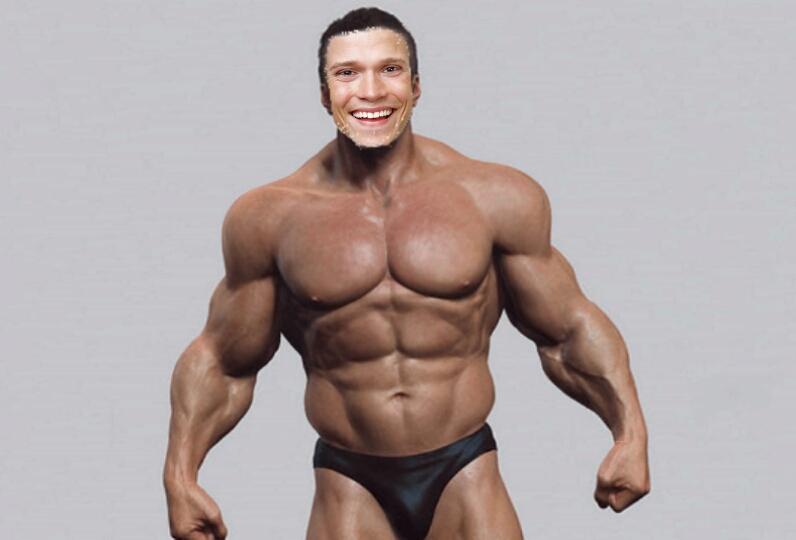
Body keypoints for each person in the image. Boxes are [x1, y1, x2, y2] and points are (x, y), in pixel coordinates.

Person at [163, 7, 650, 540]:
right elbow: (224, 360)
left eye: (389, 70)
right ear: (325, 94)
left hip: (465, 468)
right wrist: (180, 476)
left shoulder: (494, 197)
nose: (370, 91)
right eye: (347, 73)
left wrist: (629, 433)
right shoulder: (269, 218)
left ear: (416, 87)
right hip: (348, 479)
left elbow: (568, 330)